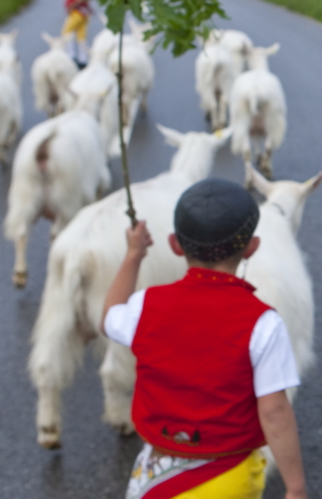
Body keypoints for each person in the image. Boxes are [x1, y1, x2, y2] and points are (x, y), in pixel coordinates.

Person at [101, 179, 309, 499]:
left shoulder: (145, 306)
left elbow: (109, 317)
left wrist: (133, 255)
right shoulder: (263, 323)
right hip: (228, 475)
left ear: (175, 245)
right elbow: (275, 411)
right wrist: (295, 487)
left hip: (157, 472)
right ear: (252, 246)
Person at [61, 0, 94, 68]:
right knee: (81, 36)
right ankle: (83, 59)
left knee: (67, 32)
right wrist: (90, 9)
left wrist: (70, 6)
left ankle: (71, 56)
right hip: (84, 14)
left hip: (77, 13)